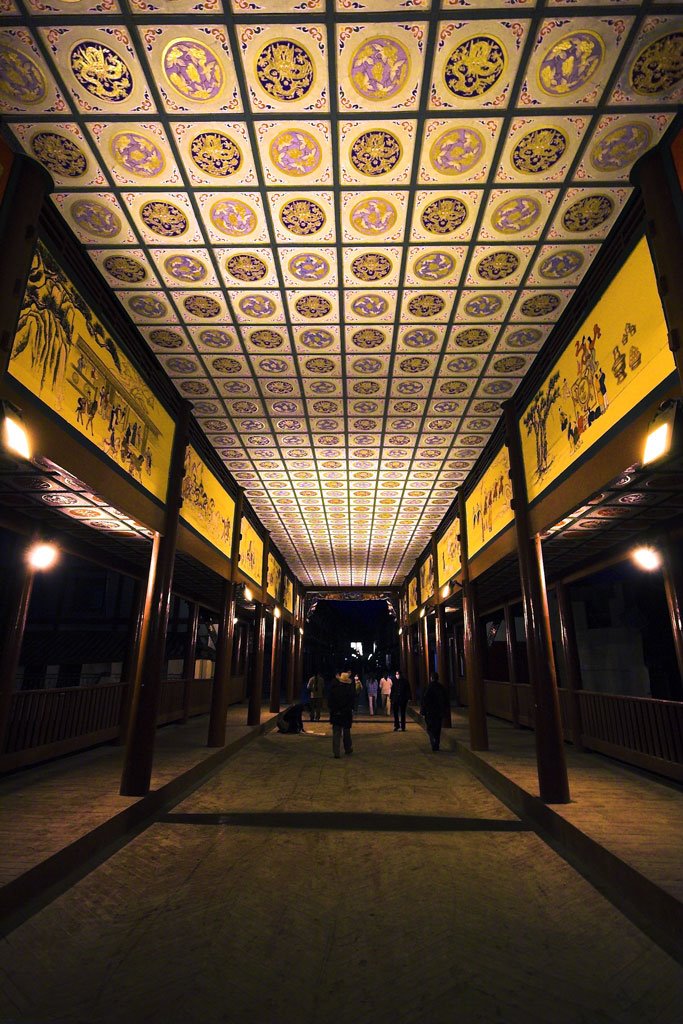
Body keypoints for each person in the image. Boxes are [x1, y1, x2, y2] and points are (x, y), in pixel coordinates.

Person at [329, 670, 355, 758]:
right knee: (346, 732)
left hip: (336, 713)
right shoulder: (349, 690)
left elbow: (330, 701)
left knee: (336, 732)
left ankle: (336, 752)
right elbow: (352, 702)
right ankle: (347, 748)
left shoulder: (335, 689)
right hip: (346, 713)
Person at [421, 671, 448, 752]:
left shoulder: (428, 687)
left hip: (430, 711)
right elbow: (445, 700)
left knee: (430, 728)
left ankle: (433, 741)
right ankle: (437, 743)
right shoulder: (441, 688)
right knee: (438, 728)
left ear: (431, 678)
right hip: (439, 711)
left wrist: (423, 711)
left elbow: (424, 700)